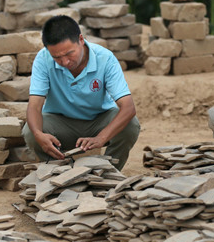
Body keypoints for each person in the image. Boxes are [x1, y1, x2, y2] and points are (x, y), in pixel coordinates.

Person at [22, 15, 140, 171]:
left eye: (69, 54)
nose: (65, 62)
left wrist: (101, 137)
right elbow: (34, 107)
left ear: (81, 39)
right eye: (56, 57)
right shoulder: (43, 59)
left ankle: (108, 173)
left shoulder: (105, 59)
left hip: (99, 120)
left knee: (130, 125)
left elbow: (128, 107)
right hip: (60, 123)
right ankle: (59, 173)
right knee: (30, 131)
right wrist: (38, 134)